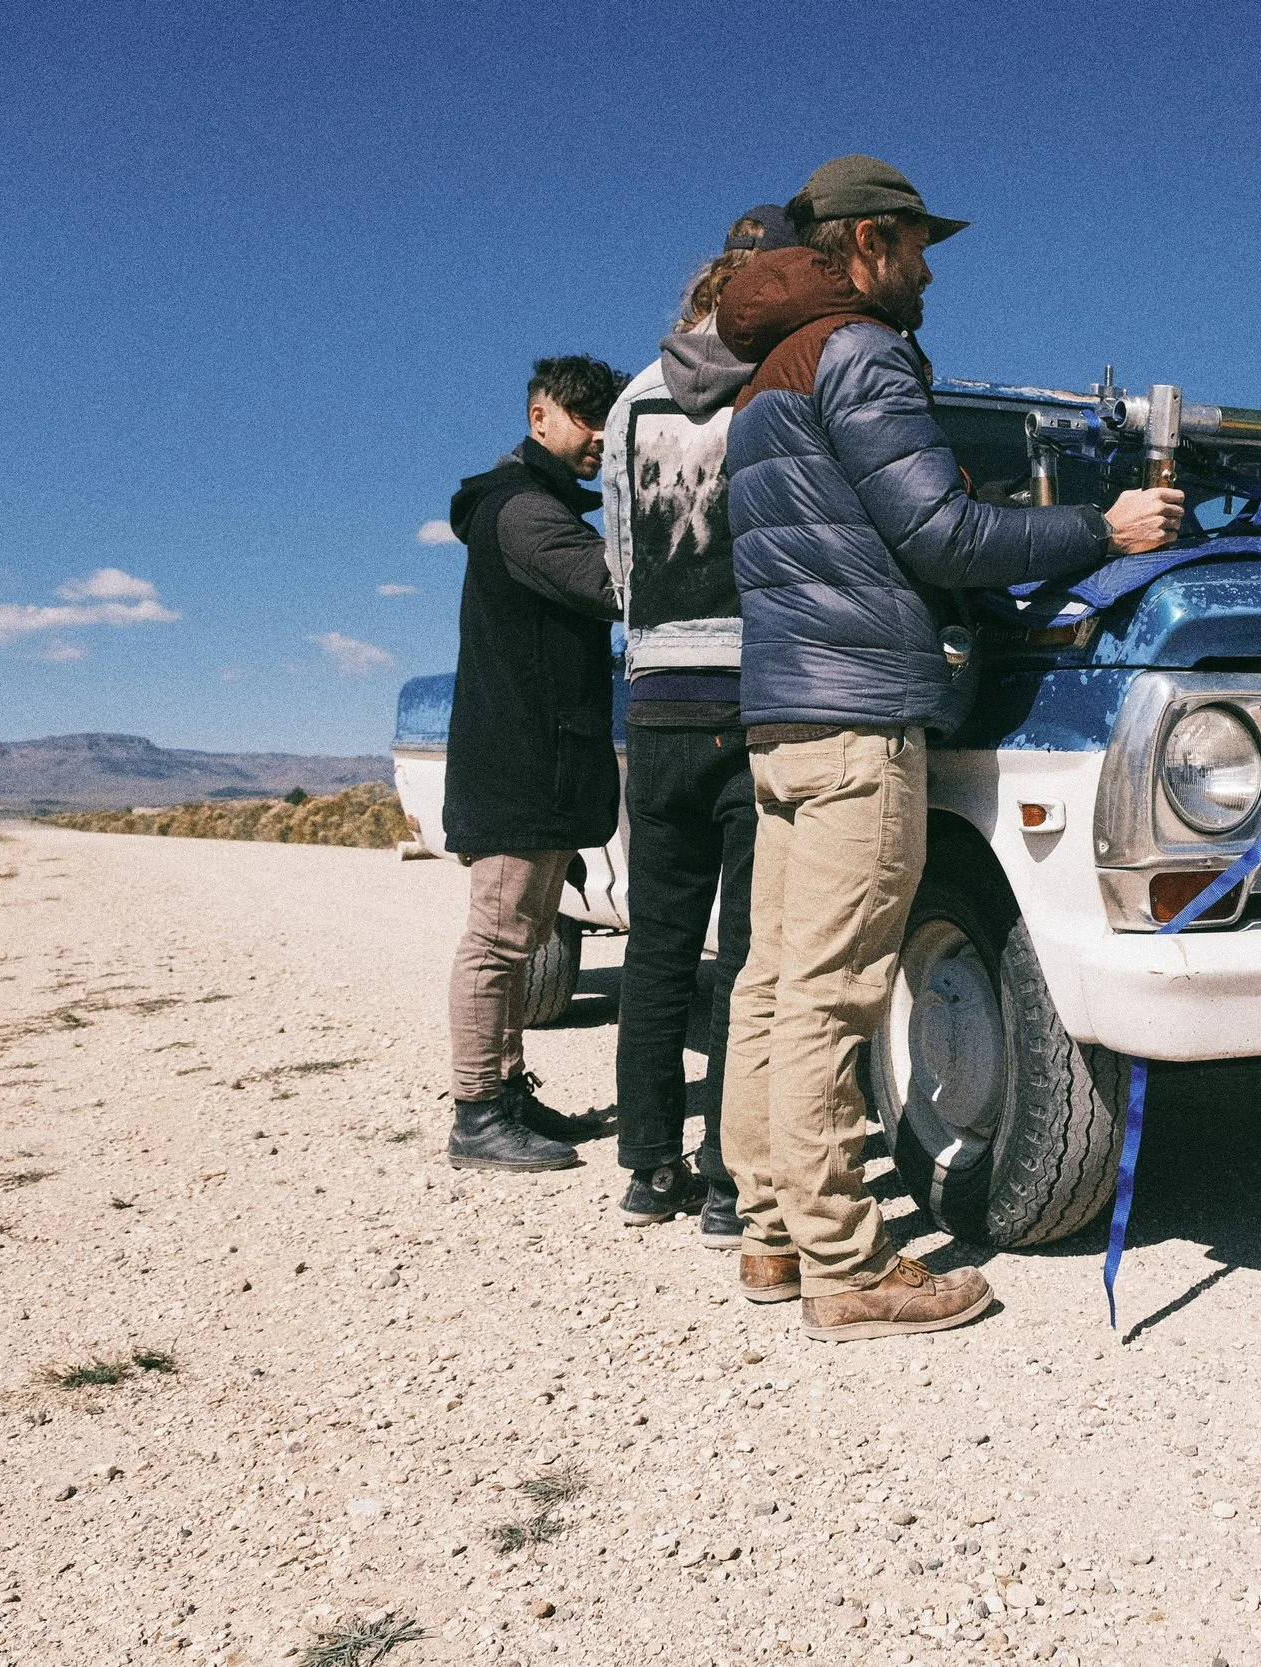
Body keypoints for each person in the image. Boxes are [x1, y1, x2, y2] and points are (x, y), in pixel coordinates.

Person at [714, 155, 1185, 1340]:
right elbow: (938, 530)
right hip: (860, 715)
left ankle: (772, 1228)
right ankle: (848, 1266)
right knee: (832, 995)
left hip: (782, 712)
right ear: (870, 238)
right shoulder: (860, 349)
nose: (928, 270)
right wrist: (1104, 524)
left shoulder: (766, 375)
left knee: (773, 986)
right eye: (920, 244)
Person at [600, 206, 800, 1235]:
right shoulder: (770, 390)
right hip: (746, 691)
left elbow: (622, 565)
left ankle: (647, 1167)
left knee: (655, 946)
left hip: (655, 698)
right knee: (746, 954)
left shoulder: (631, 400)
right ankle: (729, 1180)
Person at [441, 355, 627, 1172]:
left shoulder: (534, 503)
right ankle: (478, 1113)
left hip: (535, 760)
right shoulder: (521, 511)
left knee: (521, 939)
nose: (598, 437)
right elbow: (609, 583)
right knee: (496, 941)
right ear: (539, 415)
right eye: (586, 419)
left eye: (607, 420)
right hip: (518, 763)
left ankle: (507, 1094)